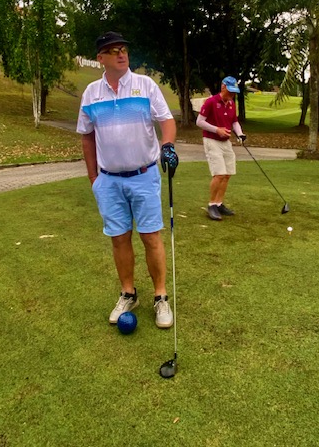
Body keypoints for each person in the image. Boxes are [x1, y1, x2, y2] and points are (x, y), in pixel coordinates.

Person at [77, 31, 179, 328]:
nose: (121, 54)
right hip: (109, 180)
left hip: (144, 176)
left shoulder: (145, 85)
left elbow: (167, 120)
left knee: (150, 237)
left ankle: (160, 296)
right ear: (101, 58)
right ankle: (128, 293)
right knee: (119, 239)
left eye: (123, 49)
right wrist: (94, 177)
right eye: (113, 50)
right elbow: (87, 136)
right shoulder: (91, 93)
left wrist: (167, 145)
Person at [196, 76, 246, 221]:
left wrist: (240, 134)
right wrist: (216, 129)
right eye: (230, 91)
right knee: (219, 174)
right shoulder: (211, 102)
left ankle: (219, 203)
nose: (232, 94)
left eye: (234, 92)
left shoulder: (231, 103)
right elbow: (199, 122)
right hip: (211, 141)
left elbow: (234, 122)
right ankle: (211, 204)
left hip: (226, 142)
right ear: (223, 87)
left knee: (227, 174)